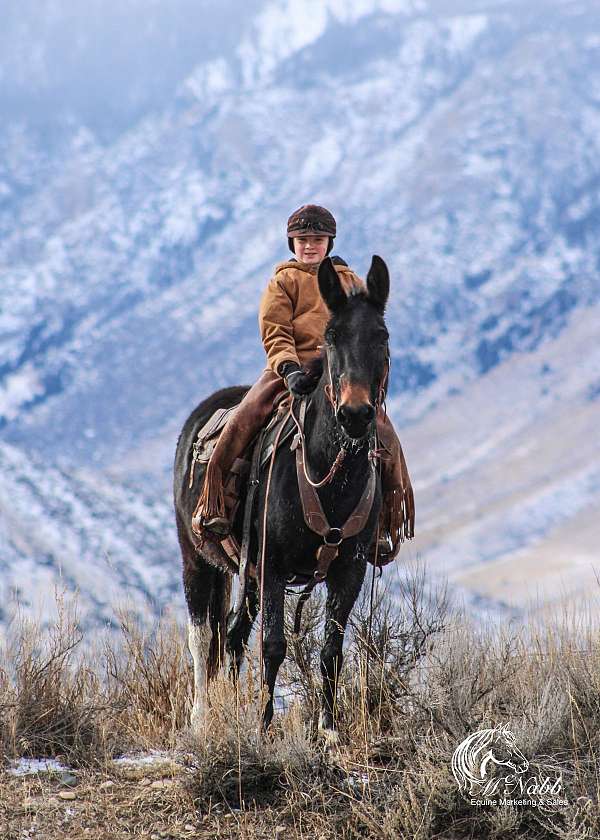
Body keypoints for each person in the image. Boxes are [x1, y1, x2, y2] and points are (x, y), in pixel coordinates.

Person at [191, 204, 414, 561]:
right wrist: (289, 368)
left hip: (339, 374)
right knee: (244, 418)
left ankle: (385, 520)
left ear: (329, 242)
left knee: (386, 437)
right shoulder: (283, 281)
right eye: (303, 240)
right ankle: (219, 499)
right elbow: (275, 332)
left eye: (317, 240)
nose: (310, 246)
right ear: (292, 243)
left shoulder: (351, 281)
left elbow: (362, 331)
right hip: (289, 372)